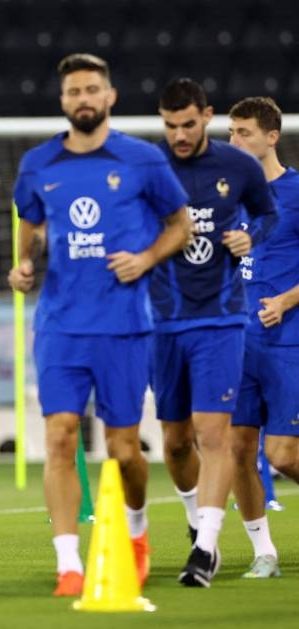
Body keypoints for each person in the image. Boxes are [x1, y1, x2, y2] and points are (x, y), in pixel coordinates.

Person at [7, 53, 192, 597]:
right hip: (62, 324)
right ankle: (69, 564)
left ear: (110, 97)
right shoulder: (39, 163)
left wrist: (147, 259)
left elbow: (179, 224)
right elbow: (31, 220)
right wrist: (24, 263)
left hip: (125, 325)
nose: (82, 99)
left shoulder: (142, 159)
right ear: (63, 102)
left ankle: (134, 534)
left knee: (124, 450)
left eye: (92, 90)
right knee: (60, 438)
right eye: (73, 92)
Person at [152, 79, 277, 587]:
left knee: (214, 434)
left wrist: (252, 236)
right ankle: (194, 518)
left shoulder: (238, 167)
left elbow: (267, 215)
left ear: (206, 116)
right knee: (176, 443)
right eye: (170, 125)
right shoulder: (149, 168)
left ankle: (206, 548)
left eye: (188, 123)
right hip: (163, 321)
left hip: (222, 320)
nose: (180, 135)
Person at [227, 96, 299, 579]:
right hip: (234, 340)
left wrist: (288, 300)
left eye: (244, 133)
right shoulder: (223, 195)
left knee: (282, 453)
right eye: (231, 133)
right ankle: (264, 552)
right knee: (235, 449)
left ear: (271, 137)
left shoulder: (296, 191)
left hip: (287, 339)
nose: (234, 141)